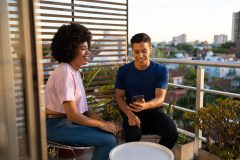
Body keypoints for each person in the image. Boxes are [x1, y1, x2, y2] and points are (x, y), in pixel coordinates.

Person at [44, 23, 119, 160]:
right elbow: (73, 114)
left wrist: (101, 120)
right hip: (55, 126)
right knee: (108, 140)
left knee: (111, 133)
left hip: (66, 122)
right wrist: (102, 125)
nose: (88, 52)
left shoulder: (74, 71)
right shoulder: (64, 71)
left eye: (88, 48)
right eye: (83, 49)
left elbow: (82, 106)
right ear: (71, 49)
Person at [115, 33, 178, 149]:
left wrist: (145, 105)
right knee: (132, 136)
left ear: (150, 50)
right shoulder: (123, 70)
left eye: (144, 51)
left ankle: (157, 157)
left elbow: (160, 98)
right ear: (132, 51)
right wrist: (129, 115)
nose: (140, 55)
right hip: (133, 112)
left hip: (155, 111)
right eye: (137, 51)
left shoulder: (161, 70)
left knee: (172, 134)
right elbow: (119, 96)